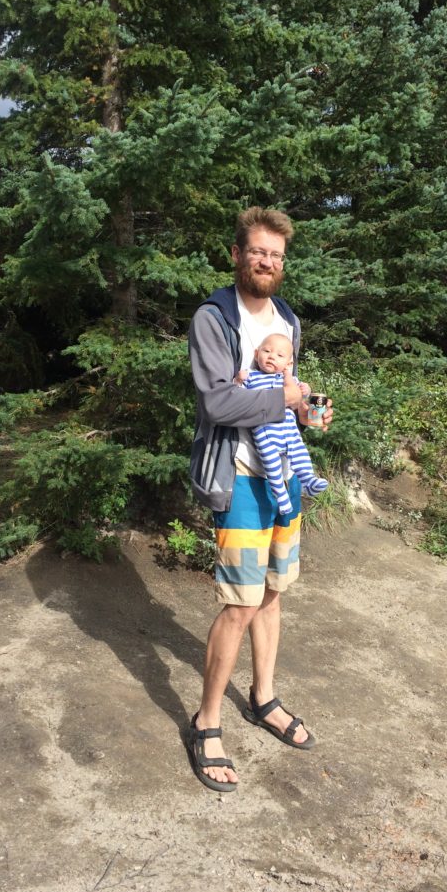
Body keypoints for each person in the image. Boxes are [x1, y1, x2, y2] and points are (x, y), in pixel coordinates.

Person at [187, 206, 332, 792]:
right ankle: (206, 722)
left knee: (273, 593)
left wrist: (310, 406)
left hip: (285, 481)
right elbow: (218, 405)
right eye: (258, 252)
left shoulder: (287, 319)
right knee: (240, 604)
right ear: (237, 255)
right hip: (240, 479)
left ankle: (263, 697)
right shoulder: (213, 319)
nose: (267, 262)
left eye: (276, 255)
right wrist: (285, 399)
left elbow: (289, 386)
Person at [236, 333, 328, 515]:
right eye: (267, 351)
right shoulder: (252, 377)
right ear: (256, 354)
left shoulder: (288, 379)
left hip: (289, 431)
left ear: (288, 364)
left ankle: (308, 481)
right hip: (264, 432)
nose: (271, 356)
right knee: (272, 465)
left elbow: (303, 391)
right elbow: (237, 397)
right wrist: (239, 379)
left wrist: (305, 389)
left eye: (279, 355)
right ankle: (281, 497)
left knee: (300, 453)